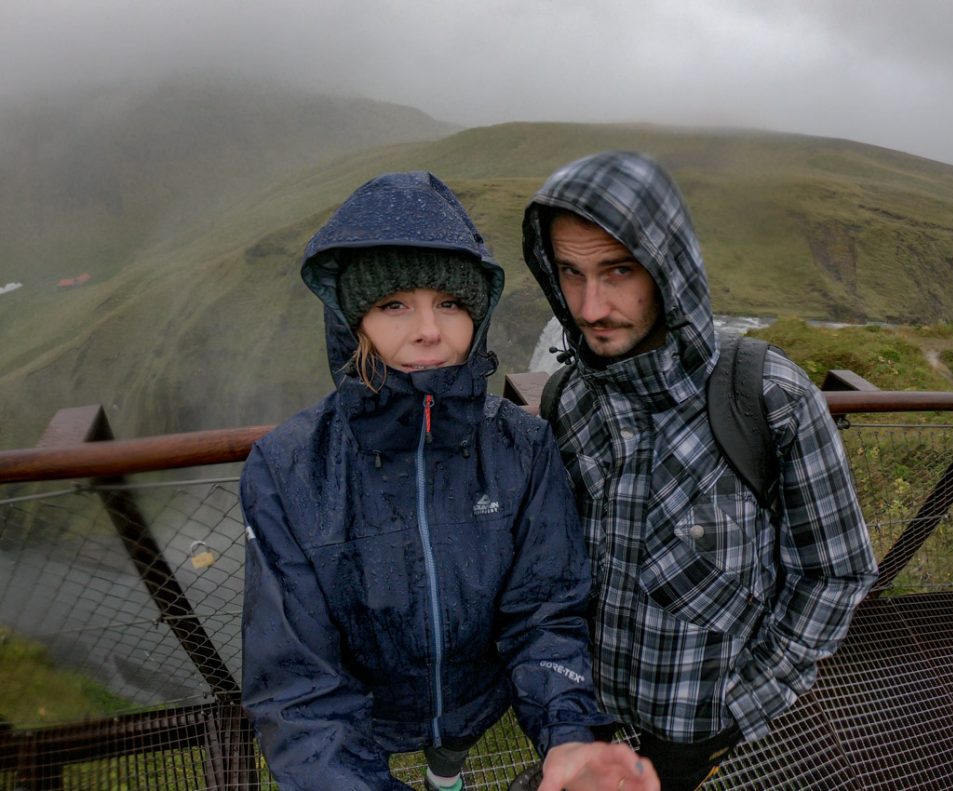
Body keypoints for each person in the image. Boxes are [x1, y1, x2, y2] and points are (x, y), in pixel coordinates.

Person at [240, 170, 659, 791]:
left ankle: (446, 773)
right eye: (393, 305)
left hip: (475, 700)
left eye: (451, 303)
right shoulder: (286, 468)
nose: (430, 331)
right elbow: (302, 690)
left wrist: (570, 738)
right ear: (351, 321)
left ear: (479, 313)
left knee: (450, 759)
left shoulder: (524, 446)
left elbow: (545, 614)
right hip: (373, 710)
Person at [520, 151, 879, 790]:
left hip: (695, 717)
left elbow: (837, 569)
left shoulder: (767, 396)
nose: (591, 306)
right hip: (589, 703)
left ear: (669, 268)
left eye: (618, 270)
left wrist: (741, 704)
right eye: (570, 273)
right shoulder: (567, 402)